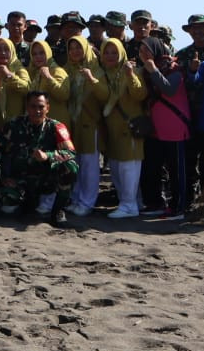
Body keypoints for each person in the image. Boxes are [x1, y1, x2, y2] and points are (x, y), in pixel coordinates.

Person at [0, 91, 77, 226]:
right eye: (33, 106)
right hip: (20, 178)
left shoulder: (56, 127)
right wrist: (4, 177)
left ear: (47, 108)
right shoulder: (13, 125)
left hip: (46, 179)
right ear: (27, 107)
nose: (37, 110)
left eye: (41, 107)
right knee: (8, 201)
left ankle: (58, 211)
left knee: (70, 166)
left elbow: (71, 153)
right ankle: (24, 205)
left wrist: (48, 156)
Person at [135, 37, 192, 218]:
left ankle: (179, 207)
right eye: (141, 50)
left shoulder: (174, 68)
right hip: (154, 129)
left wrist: (152, 69)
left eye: (148, 50)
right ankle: (155, 203)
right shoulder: (143, 70)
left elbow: (169, 90)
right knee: (152, 168)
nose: (144, 54)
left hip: (175, 128)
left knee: (176, 171)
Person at [96, 37, 147, 219]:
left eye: (114, 52)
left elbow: (140, 94)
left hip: (130, 129)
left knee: (129, 168)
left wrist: (130, 76)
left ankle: (129, 205)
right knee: (117, 167)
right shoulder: (104, 74)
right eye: (107, 52)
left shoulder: (133, 71)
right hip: (113, 130)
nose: (110, 56)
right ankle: (131, 202)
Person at [62, 35, 106, 216]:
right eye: (71, 48)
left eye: (78, 47)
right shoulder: (67, 69)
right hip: (73, 122)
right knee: (76, 162)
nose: (74, 51)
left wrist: (90, 80)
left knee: (89, 164)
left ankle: (87, 202)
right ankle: (76, 198)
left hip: (91, 123)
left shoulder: (97, 70)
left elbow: (104, 96)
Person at [0, 38, 30, 134]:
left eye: (6, 50)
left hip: (16, 123)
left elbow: (27, 88)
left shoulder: (19, 68)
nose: (2, 53)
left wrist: (9, 76)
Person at [24, 40, 70, 127]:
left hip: (57, 126)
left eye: (42, 53)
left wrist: (48, 78)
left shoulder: (57, 71)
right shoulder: (37, 73)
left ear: (48, 53)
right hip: (42, 126)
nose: (38, 57)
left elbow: (64, 95)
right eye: (34, 54)